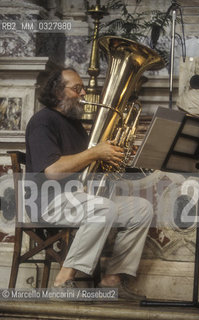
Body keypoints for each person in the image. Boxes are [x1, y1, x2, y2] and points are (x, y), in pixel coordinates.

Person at [25, 67, 153, 299]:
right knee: (103, 209)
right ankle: (63, 280)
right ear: (57, 92)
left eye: (82, 87)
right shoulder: (42, 121)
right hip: (47, 201)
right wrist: (95, 153)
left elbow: (86, 166)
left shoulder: (74, 125)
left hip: (76, 197)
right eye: (77, 88)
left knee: (141, 209)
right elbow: (53, 170)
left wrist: (114, 154)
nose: (83, 93)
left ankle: (111, 280)